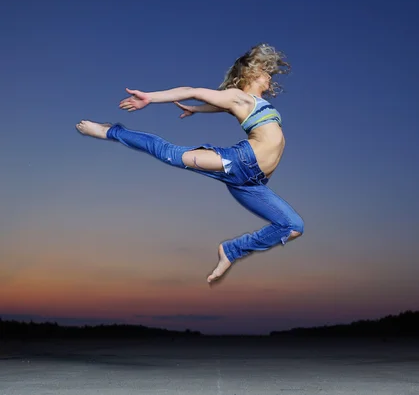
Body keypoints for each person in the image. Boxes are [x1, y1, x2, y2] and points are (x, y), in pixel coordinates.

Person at [75, 43, 304, 284]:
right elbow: (192, 90)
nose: (269, 75)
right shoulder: (239, 97)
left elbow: (219, 105)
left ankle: (232, 250)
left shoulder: (245, 101)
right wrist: (149, 98)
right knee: (169, 153)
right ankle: (110, 131)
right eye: (265, 70)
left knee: (293, 226)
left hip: (252, 183)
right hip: (238, 163)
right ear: (252, 72)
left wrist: (196, 110)